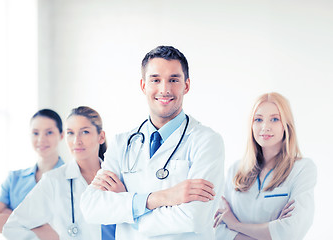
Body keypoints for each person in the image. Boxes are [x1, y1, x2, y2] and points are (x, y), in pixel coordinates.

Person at [80, 46, 225, 240]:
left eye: (173, 80)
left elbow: (195, 218)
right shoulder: (122, 143)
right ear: (143, 85)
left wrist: (129, 210)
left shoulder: (207, 141)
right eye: (155, 80)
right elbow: (92, 207)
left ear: (186, 86)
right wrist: (162, 198)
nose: (164, 89)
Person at [213, 92, 317, 240]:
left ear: (286, 125)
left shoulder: (302, 169)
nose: (265, 127)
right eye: (258, 119)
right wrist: (272, 231)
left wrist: (235, 225)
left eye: (275, 119)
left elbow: (292, 231)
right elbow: (216, 228)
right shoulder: (235, 170)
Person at [3, 106, 116, 240]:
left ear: (101, 137)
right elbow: (12, 227)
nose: (76, 141)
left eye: (84, 132)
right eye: (70, 133)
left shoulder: (117, 175)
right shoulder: (53, 181)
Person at [0, 109, 64, 235]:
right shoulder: (14, 178)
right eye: (35, 133)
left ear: (61, 135)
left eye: (49, 132)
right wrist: (42, 227)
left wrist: (13, 220)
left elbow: (59, 234)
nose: (41, 139)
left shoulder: (71, 179)